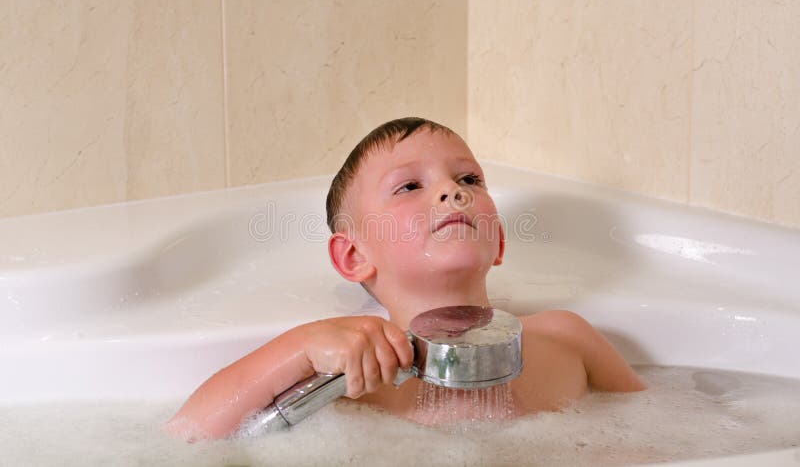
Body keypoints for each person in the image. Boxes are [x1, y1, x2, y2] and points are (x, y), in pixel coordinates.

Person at [166, 117, 645, 440]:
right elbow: (186, 438)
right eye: (410, 186)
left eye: (469, 180)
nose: (451, 194)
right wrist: (301, 346)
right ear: (353, 255)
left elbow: (652, 434)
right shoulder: (352, 371)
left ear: (499, 240)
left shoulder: (568, 338)